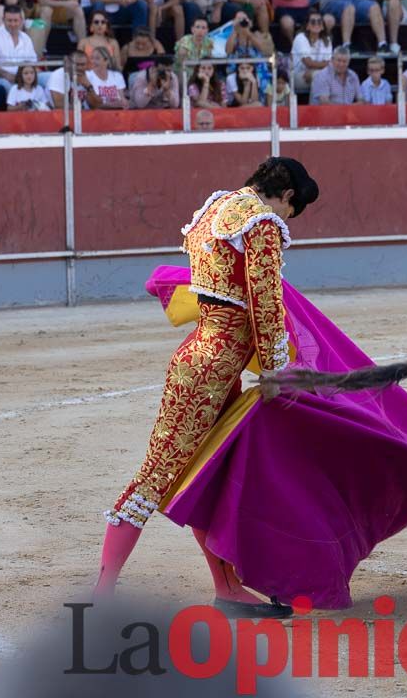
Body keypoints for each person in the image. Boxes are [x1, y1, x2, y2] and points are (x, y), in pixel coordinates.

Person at [95, 157, 320, 618]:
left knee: (207, 475)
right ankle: (101, 594)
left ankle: (228, 588)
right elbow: (265, 303)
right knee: (157, 476)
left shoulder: (216, 210)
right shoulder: (261, 222)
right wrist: (277, 370)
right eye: (295, 210)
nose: (289, 219)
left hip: (202, 357)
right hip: (212, 368)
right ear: (289, 196)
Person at [0, 3, 38, 87]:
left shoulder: (26, 38)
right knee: (10, 87)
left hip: (24, 77)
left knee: (48, 78)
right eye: (9, 21)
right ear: (3, 20)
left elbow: (32, 63)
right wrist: (10, 76)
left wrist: (25, 77)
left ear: (21, 20)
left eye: (15, 21)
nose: (13, 24)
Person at [290, 8, 331, 90]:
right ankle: (319, 103)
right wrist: (323, 65)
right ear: (307, 26)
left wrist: (314, 70)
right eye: (313, 22)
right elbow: (308, 63)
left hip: (318, 73)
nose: (316, 24)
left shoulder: (327, 40)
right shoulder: (300, 38)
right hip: (298, 75)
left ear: (323, 26)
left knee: (320, 76)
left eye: (319, 21)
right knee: (319, 76)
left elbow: (329, 63)